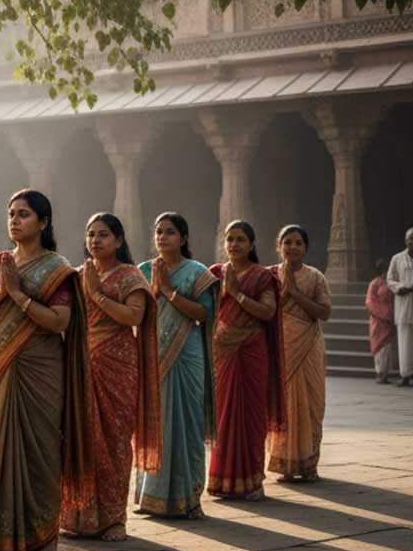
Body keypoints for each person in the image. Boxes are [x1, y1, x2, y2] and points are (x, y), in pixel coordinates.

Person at [0, 189, 91, 551]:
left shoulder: (58, 269)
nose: (14, 221)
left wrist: (19, 298)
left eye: (23, 214)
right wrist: (2, 293)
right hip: (0, 363)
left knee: (39, 446)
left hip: (40, 367)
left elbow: (60, 321)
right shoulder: (0, 263)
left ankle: (44, 536)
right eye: (11, 214)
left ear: (43, 222)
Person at [61, 213, 160, 542]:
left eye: (103, 234)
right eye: (91, 235)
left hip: (117, 364)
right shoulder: (77, 275)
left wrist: (98, 293)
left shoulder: (129, 276)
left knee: (115, 442)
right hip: (82, 363)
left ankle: (114, 519)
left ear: (119, 240)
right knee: (81, 438)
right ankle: (78, 516)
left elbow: (135, 315)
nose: (95, 241)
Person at [137, 212, 218, 519]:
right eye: (158, 232)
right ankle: (152, 496)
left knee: (187, 424)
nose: (162, 237)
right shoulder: (144, 270)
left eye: (169, 232)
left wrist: (169, 291)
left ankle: (189, 498)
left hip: (187, 354)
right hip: (154, 352)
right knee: (156, 424)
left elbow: (204, 313)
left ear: (183, 239)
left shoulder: (196, 272)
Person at [207, 220, 286, 501]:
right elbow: (204, 311)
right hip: (223, 354)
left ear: (251, 244)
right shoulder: (215, 274)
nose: (234, 244)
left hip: (252, 351)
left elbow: (267, 312)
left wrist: (237, 294)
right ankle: (222, 481)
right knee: (224, 417)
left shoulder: (261, 276)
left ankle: (252, 482)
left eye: (240, 239)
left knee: (251, 418)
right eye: (230, 239)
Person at [269, 226, 332, 483]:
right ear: (279, 246)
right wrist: (284, 294)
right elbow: (264, 311)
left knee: (312, 404)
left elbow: (324, 312)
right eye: (288, 242)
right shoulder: (269, 276)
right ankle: (284, 462)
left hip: (308, 346)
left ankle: (309, 463)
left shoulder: (315, 277)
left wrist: (295, 292)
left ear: (305, 248)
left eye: (298, 243)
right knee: (282, 405)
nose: (293, 247)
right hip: (279, 344)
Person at [386, 228, 413, 386]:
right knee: (405, 339)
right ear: (405, 241)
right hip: (404, 303)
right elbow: (390, 279)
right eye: (410, 239)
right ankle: (405, 374)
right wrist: (402, 287)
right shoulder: (397, 258)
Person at [367, 258, 399, 384]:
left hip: (390, 318)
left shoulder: (391, 283)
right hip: (378, 319)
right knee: (379, 346)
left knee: (387, 346)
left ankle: (385, 374)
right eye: (383, 270)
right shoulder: (374, 284)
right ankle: (379, 373)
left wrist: (391, 315)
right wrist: (382, 315)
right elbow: (370, 302)